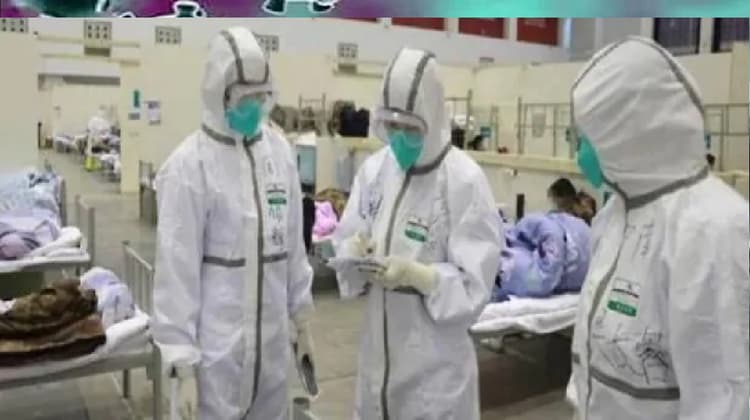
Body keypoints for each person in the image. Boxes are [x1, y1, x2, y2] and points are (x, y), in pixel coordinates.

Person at [568, 36, 749, 420]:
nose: (580, 152)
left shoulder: (713, 230)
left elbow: (724, 397)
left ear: (628, 133)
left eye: (587, 138)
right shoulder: (617, 213)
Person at [152, 27, 315, 419]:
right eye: (245, 99)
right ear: (219, 96)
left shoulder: (279, 153)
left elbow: (293, 248)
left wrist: (303, 323)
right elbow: (176, 273)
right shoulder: (189, 167)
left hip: (272, 356)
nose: (254, 108)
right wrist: (182, 363)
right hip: (215, 363)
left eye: (261, 97)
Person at [332, 47, 502, 420]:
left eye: (410, 128)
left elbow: (475, 285)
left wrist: (420, 276)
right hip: (378, 360)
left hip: (435, 372)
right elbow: (350, 232)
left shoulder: (463, 181)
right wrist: (353, 249)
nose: (399, 138)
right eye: (392, 127)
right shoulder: (375, 171)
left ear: (433, 119)